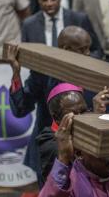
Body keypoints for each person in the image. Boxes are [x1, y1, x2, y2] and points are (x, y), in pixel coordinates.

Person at [8, 24, 95, 184]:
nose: (88, 54)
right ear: (66, 49)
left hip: (86, 153)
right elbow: (20, 109)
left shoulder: (95, 71)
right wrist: (16, 74)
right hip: (50, 152)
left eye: (89, 48)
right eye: (82, 49)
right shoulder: (43, 72)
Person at [23, 0, 99, 54]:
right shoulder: (29, 25)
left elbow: (96, 51)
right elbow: (25, 55)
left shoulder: (79, 19)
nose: (49, 3)